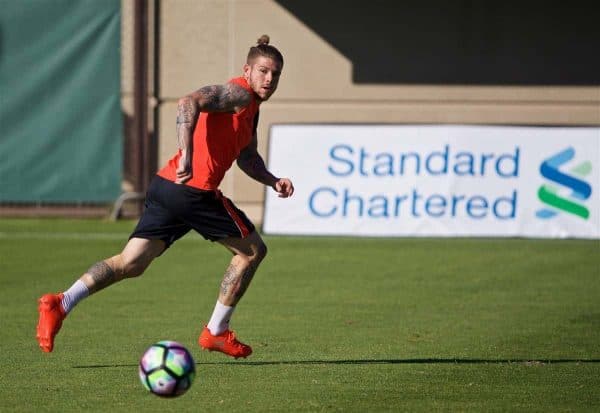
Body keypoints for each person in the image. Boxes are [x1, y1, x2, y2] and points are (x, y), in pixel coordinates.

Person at [36, 35, 293, 359]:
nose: (269, 79)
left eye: (276, 74)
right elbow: (188, 102)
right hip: (194, 192)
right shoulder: (239, 92)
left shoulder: (251, 109)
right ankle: (215, 331)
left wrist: (272, 180)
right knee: (252, 251)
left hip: (167, 187)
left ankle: (61, 302)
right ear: (247, 69)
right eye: (263, 71)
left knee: (131, 263)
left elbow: (247, 157)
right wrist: (187, 153)